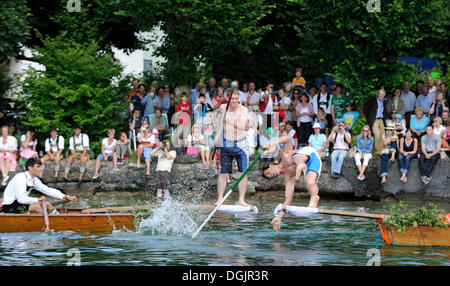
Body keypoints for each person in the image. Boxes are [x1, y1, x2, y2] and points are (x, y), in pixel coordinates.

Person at [262, 140, 321, 231]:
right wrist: (279, 217)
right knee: (309, 183)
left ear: (270, 165)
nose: (271, 176)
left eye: (268, 173)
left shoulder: (283, 157)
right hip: (313, 162)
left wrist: (273, 143)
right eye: (269, 177)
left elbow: (287, 138)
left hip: (308, 153)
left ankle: (300, 164)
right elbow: (288, 200)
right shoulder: (288, 178)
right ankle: (313, 200)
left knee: (294, 157)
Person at [214, 89, 250, 207]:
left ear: (238, 98)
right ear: (228, 98)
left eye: (236, 98)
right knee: (223, 172)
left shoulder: (243, 110)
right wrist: (217, 138)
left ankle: (241, 199)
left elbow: (243, 127)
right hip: (226, 143)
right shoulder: (223, 108)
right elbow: (219, 125)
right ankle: (220, 198)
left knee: (243, 173)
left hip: (241, 144)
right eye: (232, 98)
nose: (234, 101)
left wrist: (228, 120)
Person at [1, 158, 77, 214]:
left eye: (41, 166)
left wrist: (66, 196)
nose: (41, 169)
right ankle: (44, 226)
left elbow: (48, 190)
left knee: (46, 204)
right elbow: (21, 199)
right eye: (38, 167)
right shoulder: (20, 177)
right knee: (37, 207)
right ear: (30, 168)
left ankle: (58, 220)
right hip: (10, 206)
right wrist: (37, 200)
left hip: (20, 204)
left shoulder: (34, 179)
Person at [364, 89, 388, 153]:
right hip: (374, 120)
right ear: (378, 94)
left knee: (382, 134)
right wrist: (369, 119)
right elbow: (366, 110)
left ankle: (381, 149)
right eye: (380, 94)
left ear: (384, 95)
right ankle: (377, 150)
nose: (381, 95)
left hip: (381, 120)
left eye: (382, 94)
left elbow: (385, 111)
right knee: (376, 134)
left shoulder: (384, 102)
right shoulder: (373, 101)